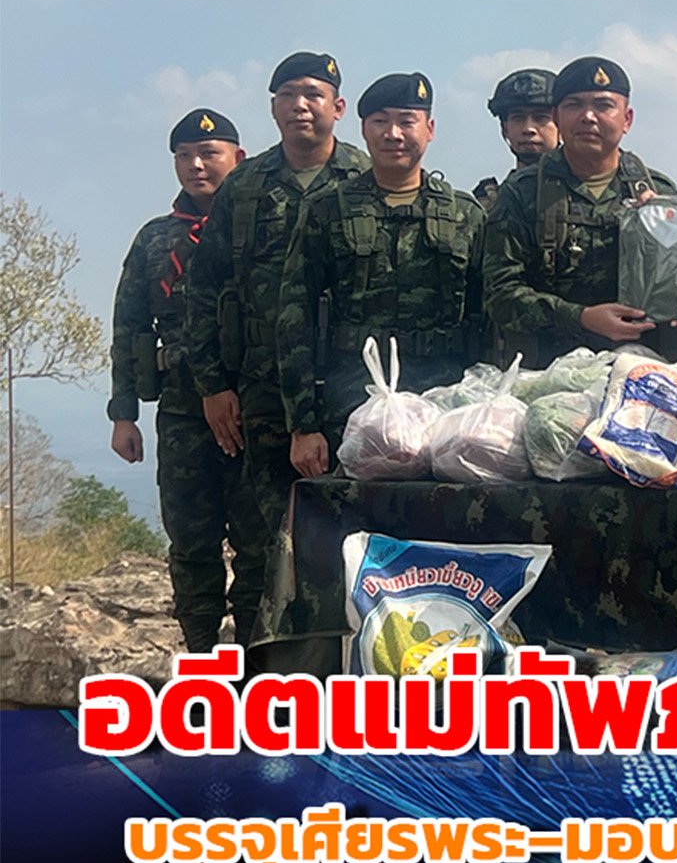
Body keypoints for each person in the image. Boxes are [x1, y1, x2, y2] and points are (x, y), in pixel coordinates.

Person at [182, 52, 370, 647]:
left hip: (351, 391)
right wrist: (213, 385)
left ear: (338, 107)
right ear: (273, 108)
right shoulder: (245, 187)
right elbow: (204, 289)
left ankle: (344, 668)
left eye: (313, 94)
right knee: (259, 541)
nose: (301, 106)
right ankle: (258, 674)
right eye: (288, 95)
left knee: (353, 535)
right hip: (261, 390)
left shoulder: (366, 179)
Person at [278, 73, 488, 469]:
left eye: (407, 121)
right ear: (363, 130)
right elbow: (294, 318)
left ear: (430, 129)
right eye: (380, 121)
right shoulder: (326, 211)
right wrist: (303, 425)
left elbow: (490, 318)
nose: (393, 134)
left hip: (448, 399)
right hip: (354, 398)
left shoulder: (466, 215)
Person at [108, 109, 248, 652]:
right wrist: (124, 414)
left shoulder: (258, 227)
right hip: (183, 410)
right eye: (185, 156)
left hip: (254, 405)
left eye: (209, 154)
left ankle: (259, 660)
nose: (196, 165)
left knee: (258, 542)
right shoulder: (154, 239)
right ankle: (203, 655)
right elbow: (129, 326)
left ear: (237, 157)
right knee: (191, 541)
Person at [483, 56, 677, 368]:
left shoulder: (659, 192)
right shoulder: (522, 193)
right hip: (547, 375)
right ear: (557, 117)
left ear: (627, 119)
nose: (588, 117)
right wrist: (581, 317)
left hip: (640, 371)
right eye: (574, 105)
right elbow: (500, 294)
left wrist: (660, 229)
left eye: (603, 105)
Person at [472, 68, 558, 210]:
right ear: (505, 129)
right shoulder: (486, 204)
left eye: (541, 118)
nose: (528, 129)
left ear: (561, 124)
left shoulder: (587, 191)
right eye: (518, 118)